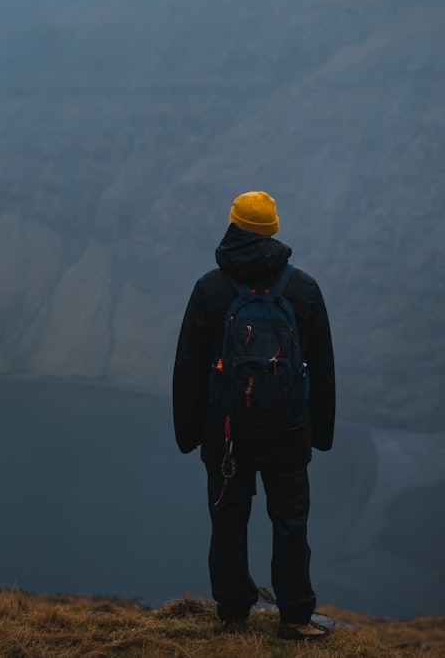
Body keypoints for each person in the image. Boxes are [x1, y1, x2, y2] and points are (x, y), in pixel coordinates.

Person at [172, 191, 336, 641]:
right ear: (274, 230)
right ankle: (295, 618)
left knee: (228, 520)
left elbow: (187, 367)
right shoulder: (302, 289)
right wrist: (319, 433)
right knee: (289, 521)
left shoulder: (211, 288)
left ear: (232, 224)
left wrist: (188, 434)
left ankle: (233, 616)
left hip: (225, 432)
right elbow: (321, 366)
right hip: (288, 430)